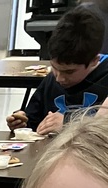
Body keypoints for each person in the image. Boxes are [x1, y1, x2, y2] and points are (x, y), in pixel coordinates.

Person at [6, 6, 108, 135]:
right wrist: (21, 124)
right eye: (55, 68)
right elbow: (33, 122)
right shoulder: (52, 80)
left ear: (94, 61)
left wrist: (67, 123)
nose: (59, 78)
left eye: (69, 72)